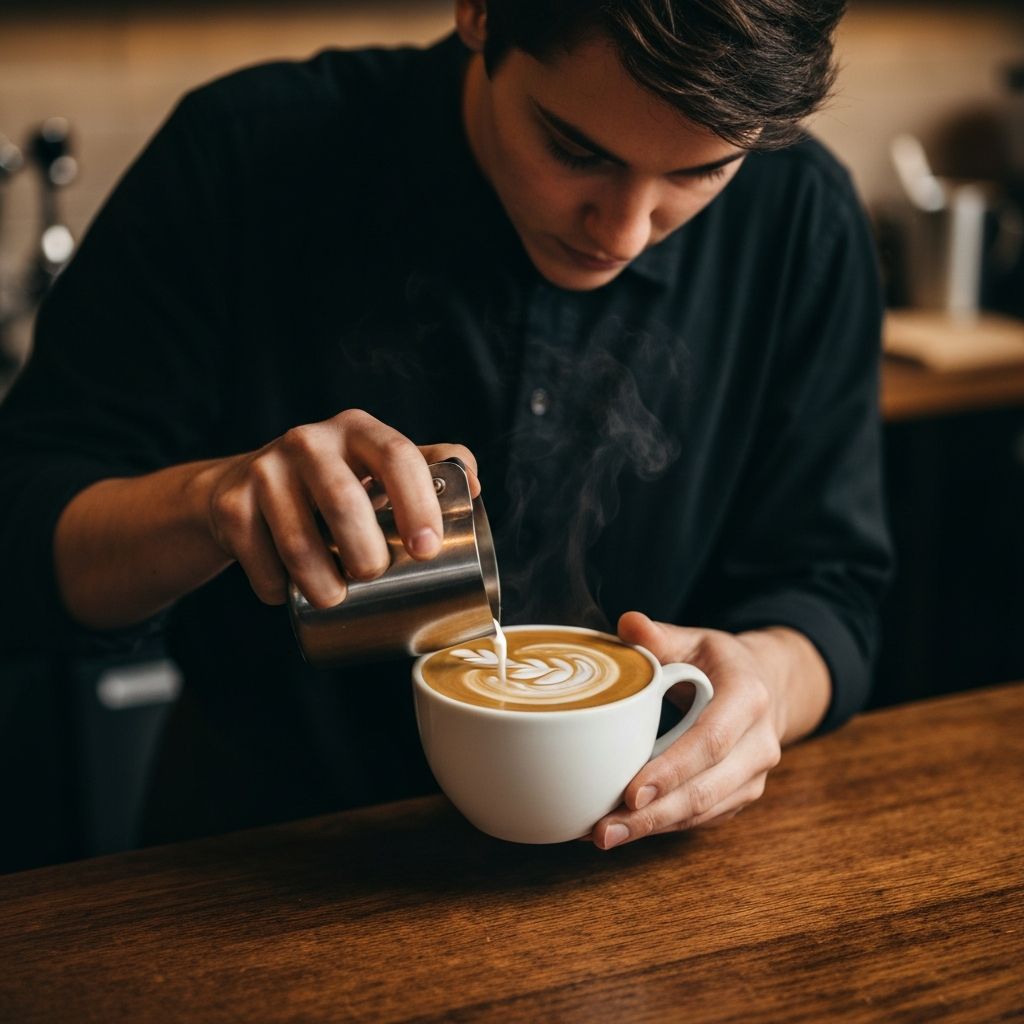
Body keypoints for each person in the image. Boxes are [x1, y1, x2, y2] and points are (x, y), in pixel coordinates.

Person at [0, 0, 891, 851]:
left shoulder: (801, 216)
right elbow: (23, 539)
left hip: (634, 874)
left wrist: (765, 685)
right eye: (575, 149)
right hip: (259, 862)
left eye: (700, 172)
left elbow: (829, 593)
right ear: (480, 12)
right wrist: (208, 502)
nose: (624, 232)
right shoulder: (243, 153)